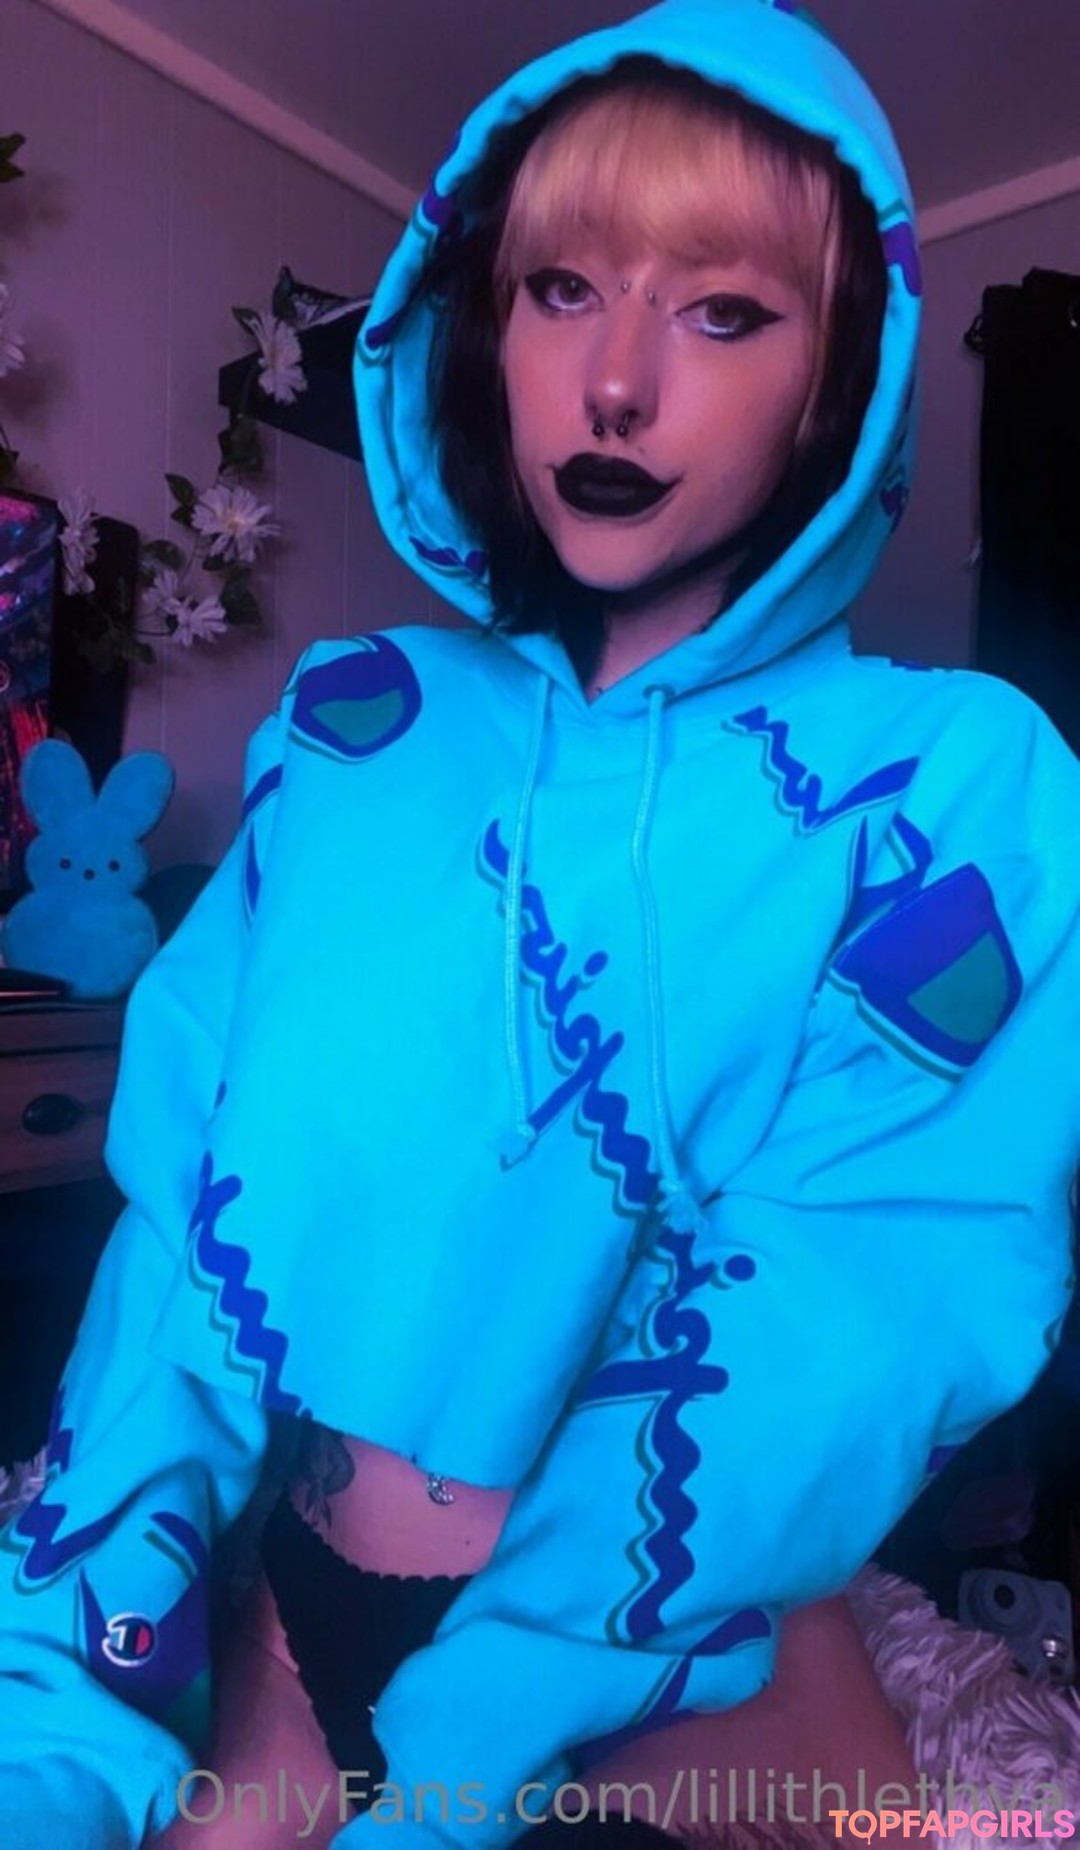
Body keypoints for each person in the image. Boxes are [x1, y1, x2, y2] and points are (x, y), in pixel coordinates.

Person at [2, 3, 1079, 1848]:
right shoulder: (353, 726)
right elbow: (183, 1234)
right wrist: (63, 1706)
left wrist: (449, 1772)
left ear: (837, 380)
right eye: (561, 290)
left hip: (675, 1681)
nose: (616, 383)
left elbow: (850, 1310)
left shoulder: (951, 788)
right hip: (296, 1601)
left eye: (723, 312)